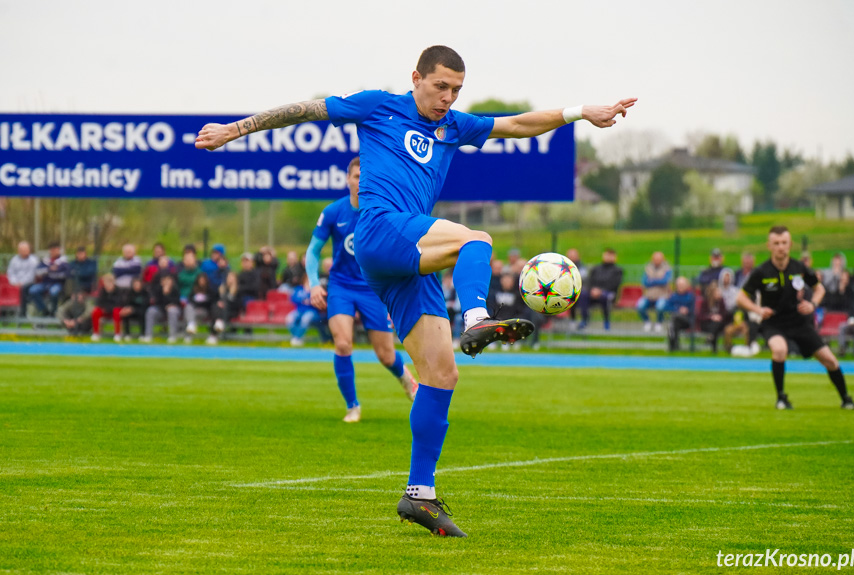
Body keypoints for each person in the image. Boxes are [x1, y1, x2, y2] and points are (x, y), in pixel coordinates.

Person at [196, 44, 635, 537]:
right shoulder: (379, 104)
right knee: (478, 239)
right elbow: (305, 110)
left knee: (441, 373)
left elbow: (517, 124)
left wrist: (580, 113)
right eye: (440, 86)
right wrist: (233, 130)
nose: (447, 98)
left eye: (456, 90)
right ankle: (476, 318)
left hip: (404, 263)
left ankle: (419, 496)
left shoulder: (454, 126)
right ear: (416, 78)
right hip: (382, 230)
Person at [306, 157, 419, 422]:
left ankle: (406, 379)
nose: (360, 182)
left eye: (364, 177)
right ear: (348, 179)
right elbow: (312, 251)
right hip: (341, 287)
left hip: (372, 289)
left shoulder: (380, 212)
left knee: (385, 354)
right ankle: (352, 406)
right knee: (343, 344)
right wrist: (313, 284)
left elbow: (395, 250)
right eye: (356, 176)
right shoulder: (334, 212)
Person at [736, 225, 854, 410]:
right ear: (769, 245)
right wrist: (758, 310)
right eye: (776, 243)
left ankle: (846, 399)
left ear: (790, 244)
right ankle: (781, 399)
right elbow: (741, 298)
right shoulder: (761, 272)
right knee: (779, 349)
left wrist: (813, 305)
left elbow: (819, 289)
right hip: (774, 323)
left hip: (799, 322)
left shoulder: (799, 268)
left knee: (830, 360)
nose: (780, 247)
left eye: (784, 242)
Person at [577, 248, 623, 331]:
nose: (607, 257)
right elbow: (589, 281)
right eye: (606, 255)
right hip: (593, 292)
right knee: (583, 294)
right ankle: (585, 319)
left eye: (610, 255)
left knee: (605, 296)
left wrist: (600, 291)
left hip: (608, 293)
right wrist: (592, 290)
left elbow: (615, 284)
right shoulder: (596, 269)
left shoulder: (618, 271)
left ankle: (606, 321)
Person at [29, 242, 69, 317]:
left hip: (58, 284)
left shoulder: (63, 262)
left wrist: (53, 273)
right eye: (52, 250)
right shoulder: (45, 261)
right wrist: (48, 269)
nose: (53, 251)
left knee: (54, 291)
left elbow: (65, 274)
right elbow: (37, 272)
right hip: (45, 283)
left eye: (56, 250)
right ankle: (44, 310)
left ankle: (53, 312)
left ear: (59, 250)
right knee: (33, 290)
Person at [636, 251, 671, 332]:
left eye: (659, 259)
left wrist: (652, 281)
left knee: (660, 307)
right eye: (655, 259)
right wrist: (658, 280)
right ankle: (647, 322)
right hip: (649, 295)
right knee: (640, 306)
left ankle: (659, 323)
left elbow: (665, 281)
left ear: (663, 259)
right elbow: (645, 282)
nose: (657, 261)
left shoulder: (667, 269)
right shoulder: (648, 268)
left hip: (662, 295)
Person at [141, 274, 182, 343]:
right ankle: (148, 335)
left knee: (172, 311)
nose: (166, 282)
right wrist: (164, 293)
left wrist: (167, 295)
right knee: (151, 310)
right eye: (164, 280)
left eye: (168, 280)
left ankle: (172, 336)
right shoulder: (158, 289)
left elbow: (176, 302)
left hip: (173, 310)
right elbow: (157, 302)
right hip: (161, 310)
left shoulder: (175, 289)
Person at [6, 241, 40, 317]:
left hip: (28, 283)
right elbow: (11, 272)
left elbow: (31, 275)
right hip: (14, 283)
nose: (23, 252)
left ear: (29, 250)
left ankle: (23, 312)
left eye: (25, 250)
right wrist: (14, 282)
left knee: (23, 289)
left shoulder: (33, 260)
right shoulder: (14, 259)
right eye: (21, 250)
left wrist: (21, 283)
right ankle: (6, 312)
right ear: (19, 251)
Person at [90, 273, 125, 342]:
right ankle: (96, 333)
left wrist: (108, 308)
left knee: (116, 311)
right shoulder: (103, 291)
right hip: (105, 311)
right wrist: (105, 308)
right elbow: (99, 302)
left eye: (108, 282)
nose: (106, 285)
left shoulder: (118, 291)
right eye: (105, 283)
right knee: (96, 311)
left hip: (114, 311)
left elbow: (119, 303)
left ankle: (117, 334)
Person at [666, 276, 695, 352]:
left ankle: (672, 345)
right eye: (679, 285)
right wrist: (678, 309)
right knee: (674, 323)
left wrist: (687, 310)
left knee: (673, 321)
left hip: (688, 320)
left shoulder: (691, 296)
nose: (680, 287)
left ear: (687, 286)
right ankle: (675, 346)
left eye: (682, 285)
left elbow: (694, 309)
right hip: (677, 322)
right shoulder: (673, 296)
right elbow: (668, 307)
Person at [697, 281, 728, 354]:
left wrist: (718, 317)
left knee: (716, 324)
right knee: (714, 324)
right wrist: (711, 317)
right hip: (707, 324)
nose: (719, 293)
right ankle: (714, 347)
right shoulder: (705, 302)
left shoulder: (721, 301)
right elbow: (700, 316)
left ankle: (711, 337)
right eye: (717, 292)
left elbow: (724, 314)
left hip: (719, 324)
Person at [837, 280, 854, 357]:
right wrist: (851, 319)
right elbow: (850, 311)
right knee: (842, 326)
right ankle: (842, 349)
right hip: (853, 323)